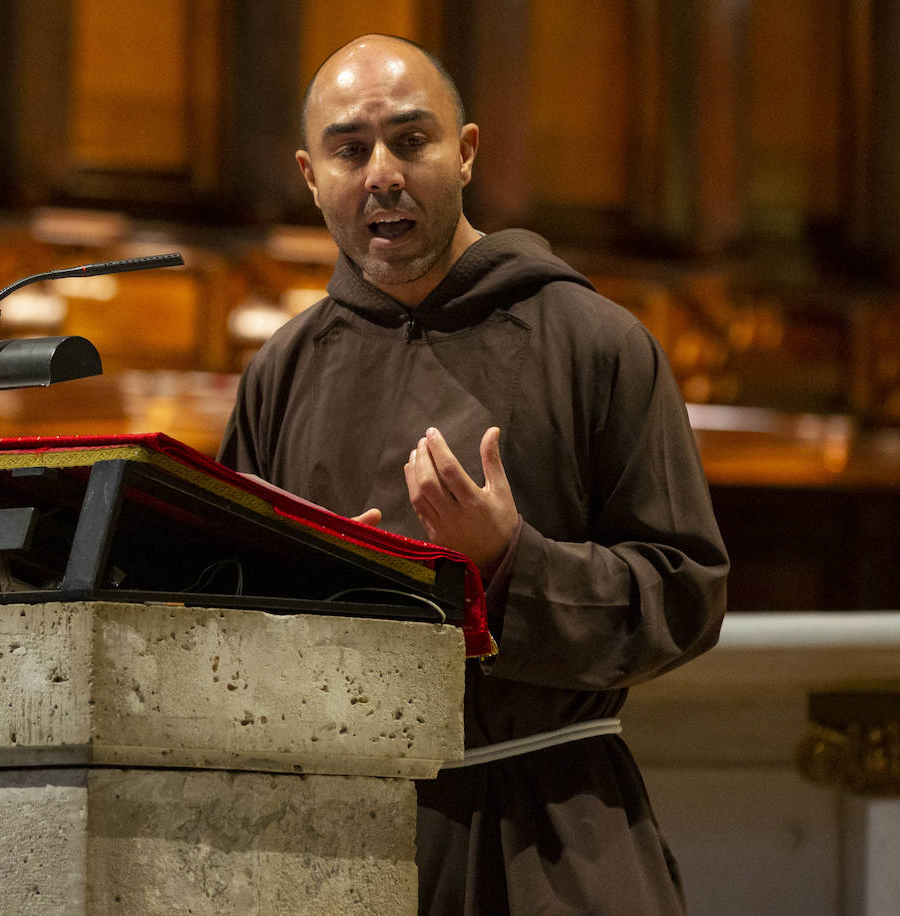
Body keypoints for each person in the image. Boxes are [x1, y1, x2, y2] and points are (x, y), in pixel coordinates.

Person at [218, 34, 729, 915]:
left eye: (410, 141)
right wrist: (315, 598)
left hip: (553, 832)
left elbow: (686, 594)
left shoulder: (595, 343)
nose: (382, 173)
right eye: (349, 149)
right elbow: (217, 612)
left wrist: (508, 564)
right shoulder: (282, 374)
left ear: (465, 151)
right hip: (337, 836)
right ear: (310, 174)